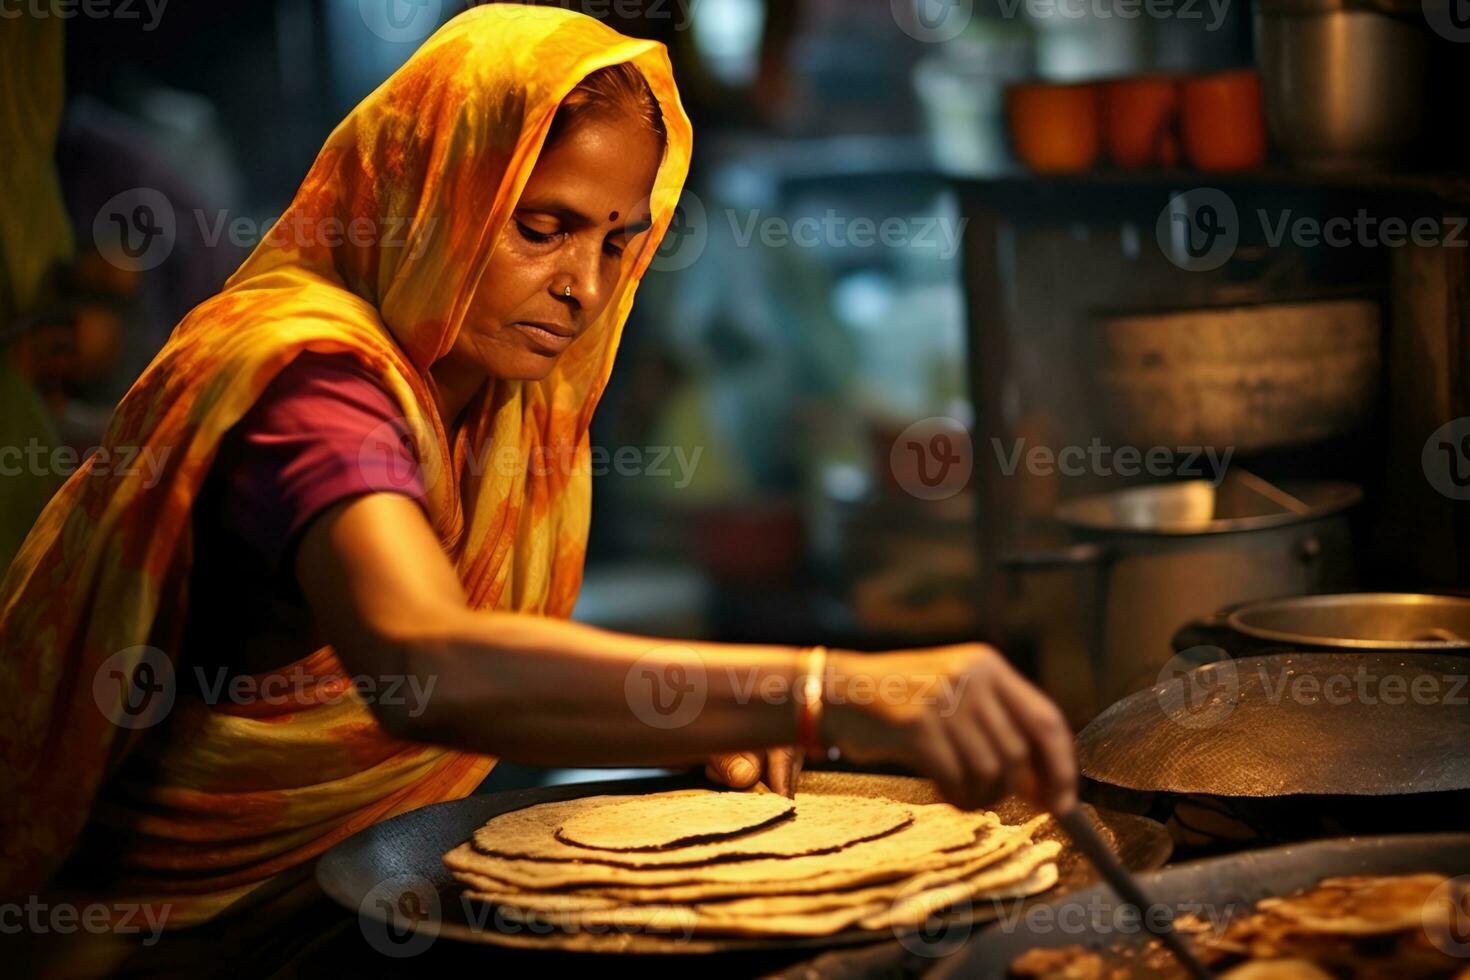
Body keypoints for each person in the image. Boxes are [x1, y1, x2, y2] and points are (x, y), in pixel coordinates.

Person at [0, 6, 1076, 934]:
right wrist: (821, 690)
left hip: (344, 912)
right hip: (171, 942)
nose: (586, 286)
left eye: (618, 240)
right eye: (542, 226)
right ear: (432, 190)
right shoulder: (306, 383)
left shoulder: (500, 397)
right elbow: (428, 665)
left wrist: (707, 717)